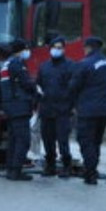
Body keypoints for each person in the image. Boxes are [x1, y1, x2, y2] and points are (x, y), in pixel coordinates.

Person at [68, 36, 106, 186]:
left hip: (88, 109)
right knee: (96, 141)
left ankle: (90, 173)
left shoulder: (84, 64)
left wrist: (72, 104)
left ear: (88, 48)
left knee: (86, 140)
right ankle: (93, 169)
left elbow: (73, 86)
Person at [35, 35, 76, 177]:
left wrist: (70, 105)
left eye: (59, 48)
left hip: (63, 110)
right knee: (47, 139)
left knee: (63, 140)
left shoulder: (70, 66)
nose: (56, 50)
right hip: (46, 109)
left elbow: (74, 88)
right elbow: (38, 84)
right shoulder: (44, 66)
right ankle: (50, 166)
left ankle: (66, 166)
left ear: (64, 49)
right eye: (54, 47)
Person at [0, 38, 37, 181]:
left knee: (14, 140)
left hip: (10, 106)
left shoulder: (6, 63)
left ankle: (10, 169)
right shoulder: (16, 64)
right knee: (23, 140)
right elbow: (26, 83)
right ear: (20, 50)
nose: (28, 52)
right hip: (19, 106)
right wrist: (37, 90)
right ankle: (16, 171)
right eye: (26, 49)